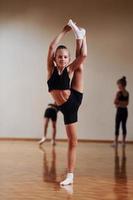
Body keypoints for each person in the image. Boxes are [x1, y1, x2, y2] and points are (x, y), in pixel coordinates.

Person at [46, 19, 87, 185]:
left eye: (65, 57)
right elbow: (51, 47)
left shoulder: (69, 69)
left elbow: (83, 56)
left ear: (68, 58)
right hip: (65, 107)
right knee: (73, 141)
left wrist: (83, 39)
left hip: (73, 101)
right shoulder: (51, 70)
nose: (62, 59)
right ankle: (80, 34)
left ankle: (82, 35)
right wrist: (64, 30)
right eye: (59, 57)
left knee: (80, 66)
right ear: (55, 58)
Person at [113, 76, 129, 147]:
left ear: (122, 85)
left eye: (119, 85)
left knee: (123, 126)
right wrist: (121, 103)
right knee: (117, 126)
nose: (118, 86)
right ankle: (116, 142)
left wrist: (119, 103)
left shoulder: (126, 93)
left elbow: (127, 103)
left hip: (123, 111)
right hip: (120, 111)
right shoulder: (119, 93)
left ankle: (123, 142)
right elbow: (115, 102)